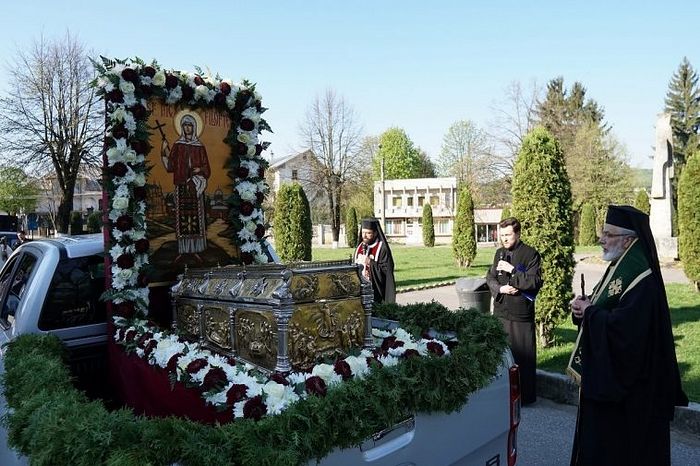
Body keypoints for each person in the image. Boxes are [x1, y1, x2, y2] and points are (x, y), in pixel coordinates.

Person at [568, 205, 688, 466]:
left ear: (627, 240)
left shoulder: (641, 278)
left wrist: (591, 314)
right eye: (603, 232)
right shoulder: (619, 267)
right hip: (613, 383)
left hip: (632, 393)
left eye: (608, 234)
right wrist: (583, 311)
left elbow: (626, 334)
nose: (601, 239)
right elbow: (605, 310)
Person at [486, 217, 542, 405]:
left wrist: (513, 272)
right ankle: (502, 394)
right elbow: (490, 277)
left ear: (517, 234)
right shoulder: (499, 253)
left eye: (508, 235)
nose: (505, 239)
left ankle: (524, 397)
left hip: (520, 315)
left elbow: (534, 282)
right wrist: (500, 289)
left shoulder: (531, 254)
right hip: (501, 312)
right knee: (501, 356)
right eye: (502, 235)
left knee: (522, 358)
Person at [161, 112, 211, 263]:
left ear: (194, 127)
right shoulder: (178, 145)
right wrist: (164, 150)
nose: (188, 128)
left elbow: (207, 168)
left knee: (196, 217)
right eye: (185, 125)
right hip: (182, 185)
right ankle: (183, 250)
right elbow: (170, 166)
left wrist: (199, 170)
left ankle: (196, 250)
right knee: (183, 217)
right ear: (182, 128)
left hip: (195, 186)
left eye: (190, 125)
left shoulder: (200, 147)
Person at [353, 218, 396, 304]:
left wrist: (370, 262)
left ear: (375, 233)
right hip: (361, 291)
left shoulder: (382, 248)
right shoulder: (359, 248)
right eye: (363, 232)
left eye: (368, 233)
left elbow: (386, 271)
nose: (364, 236)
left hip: (377, 292)